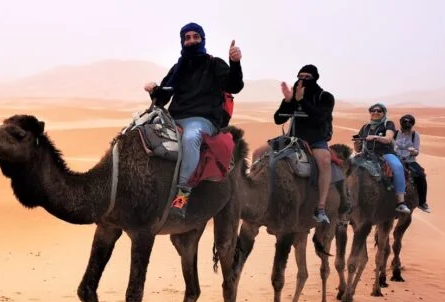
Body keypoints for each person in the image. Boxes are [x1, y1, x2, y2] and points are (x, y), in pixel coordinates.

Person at [143, 22, 244, 218]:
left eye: (195, 37)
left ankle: (182, 195)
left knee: (190, 139)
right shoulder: (178, 68)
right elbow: (163, 98)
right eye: (187, 38)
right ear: (182, 41)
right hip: (174, 117)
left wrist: (235, 63)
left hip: (202, 119)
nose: (191, 41)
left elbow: (234, 85)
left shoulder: (215, 64)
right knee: (141, 130)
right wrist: (154, 89)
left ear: (202, 39)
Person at [251, 65, 336, 224]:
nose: (302, 80)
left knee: (325, 161)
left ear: (315, 78)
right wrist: (288, 101)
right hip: (291, 139)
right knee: (257, 153)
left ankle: (321, 207)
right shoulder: (295, 95)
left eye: (307, 77)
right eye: (300, 76)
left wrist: (301, 100)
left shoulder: (325, 97)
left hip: (315, 140)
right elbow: (279, 119)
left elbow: (318, 118)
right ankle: (255, 194)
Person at [354, 103, 412, 214]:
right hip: (366, 155)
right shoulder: (365, 127)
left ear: (383, 113)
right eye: (373, 110)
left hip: (385, 154)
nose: (375, 112)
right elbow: (358, 149)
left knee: (397, 166)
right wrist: (357, 143)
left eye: (379, 111)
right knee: (347, 166)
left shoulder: (388, 124)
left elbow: (388, 139)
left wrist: (375, 137)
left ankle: (400, 202)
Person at [394, 113, 431, 212]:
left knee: (421, 175)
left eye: (409, 124)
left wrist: (413, 151)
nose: (406, 127)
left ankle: (422, 203)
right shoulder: (395, 133)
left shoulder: (415, 135)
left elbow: (417, 151)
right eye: (404, 123)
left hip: (409, 161)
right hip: (395, 159)